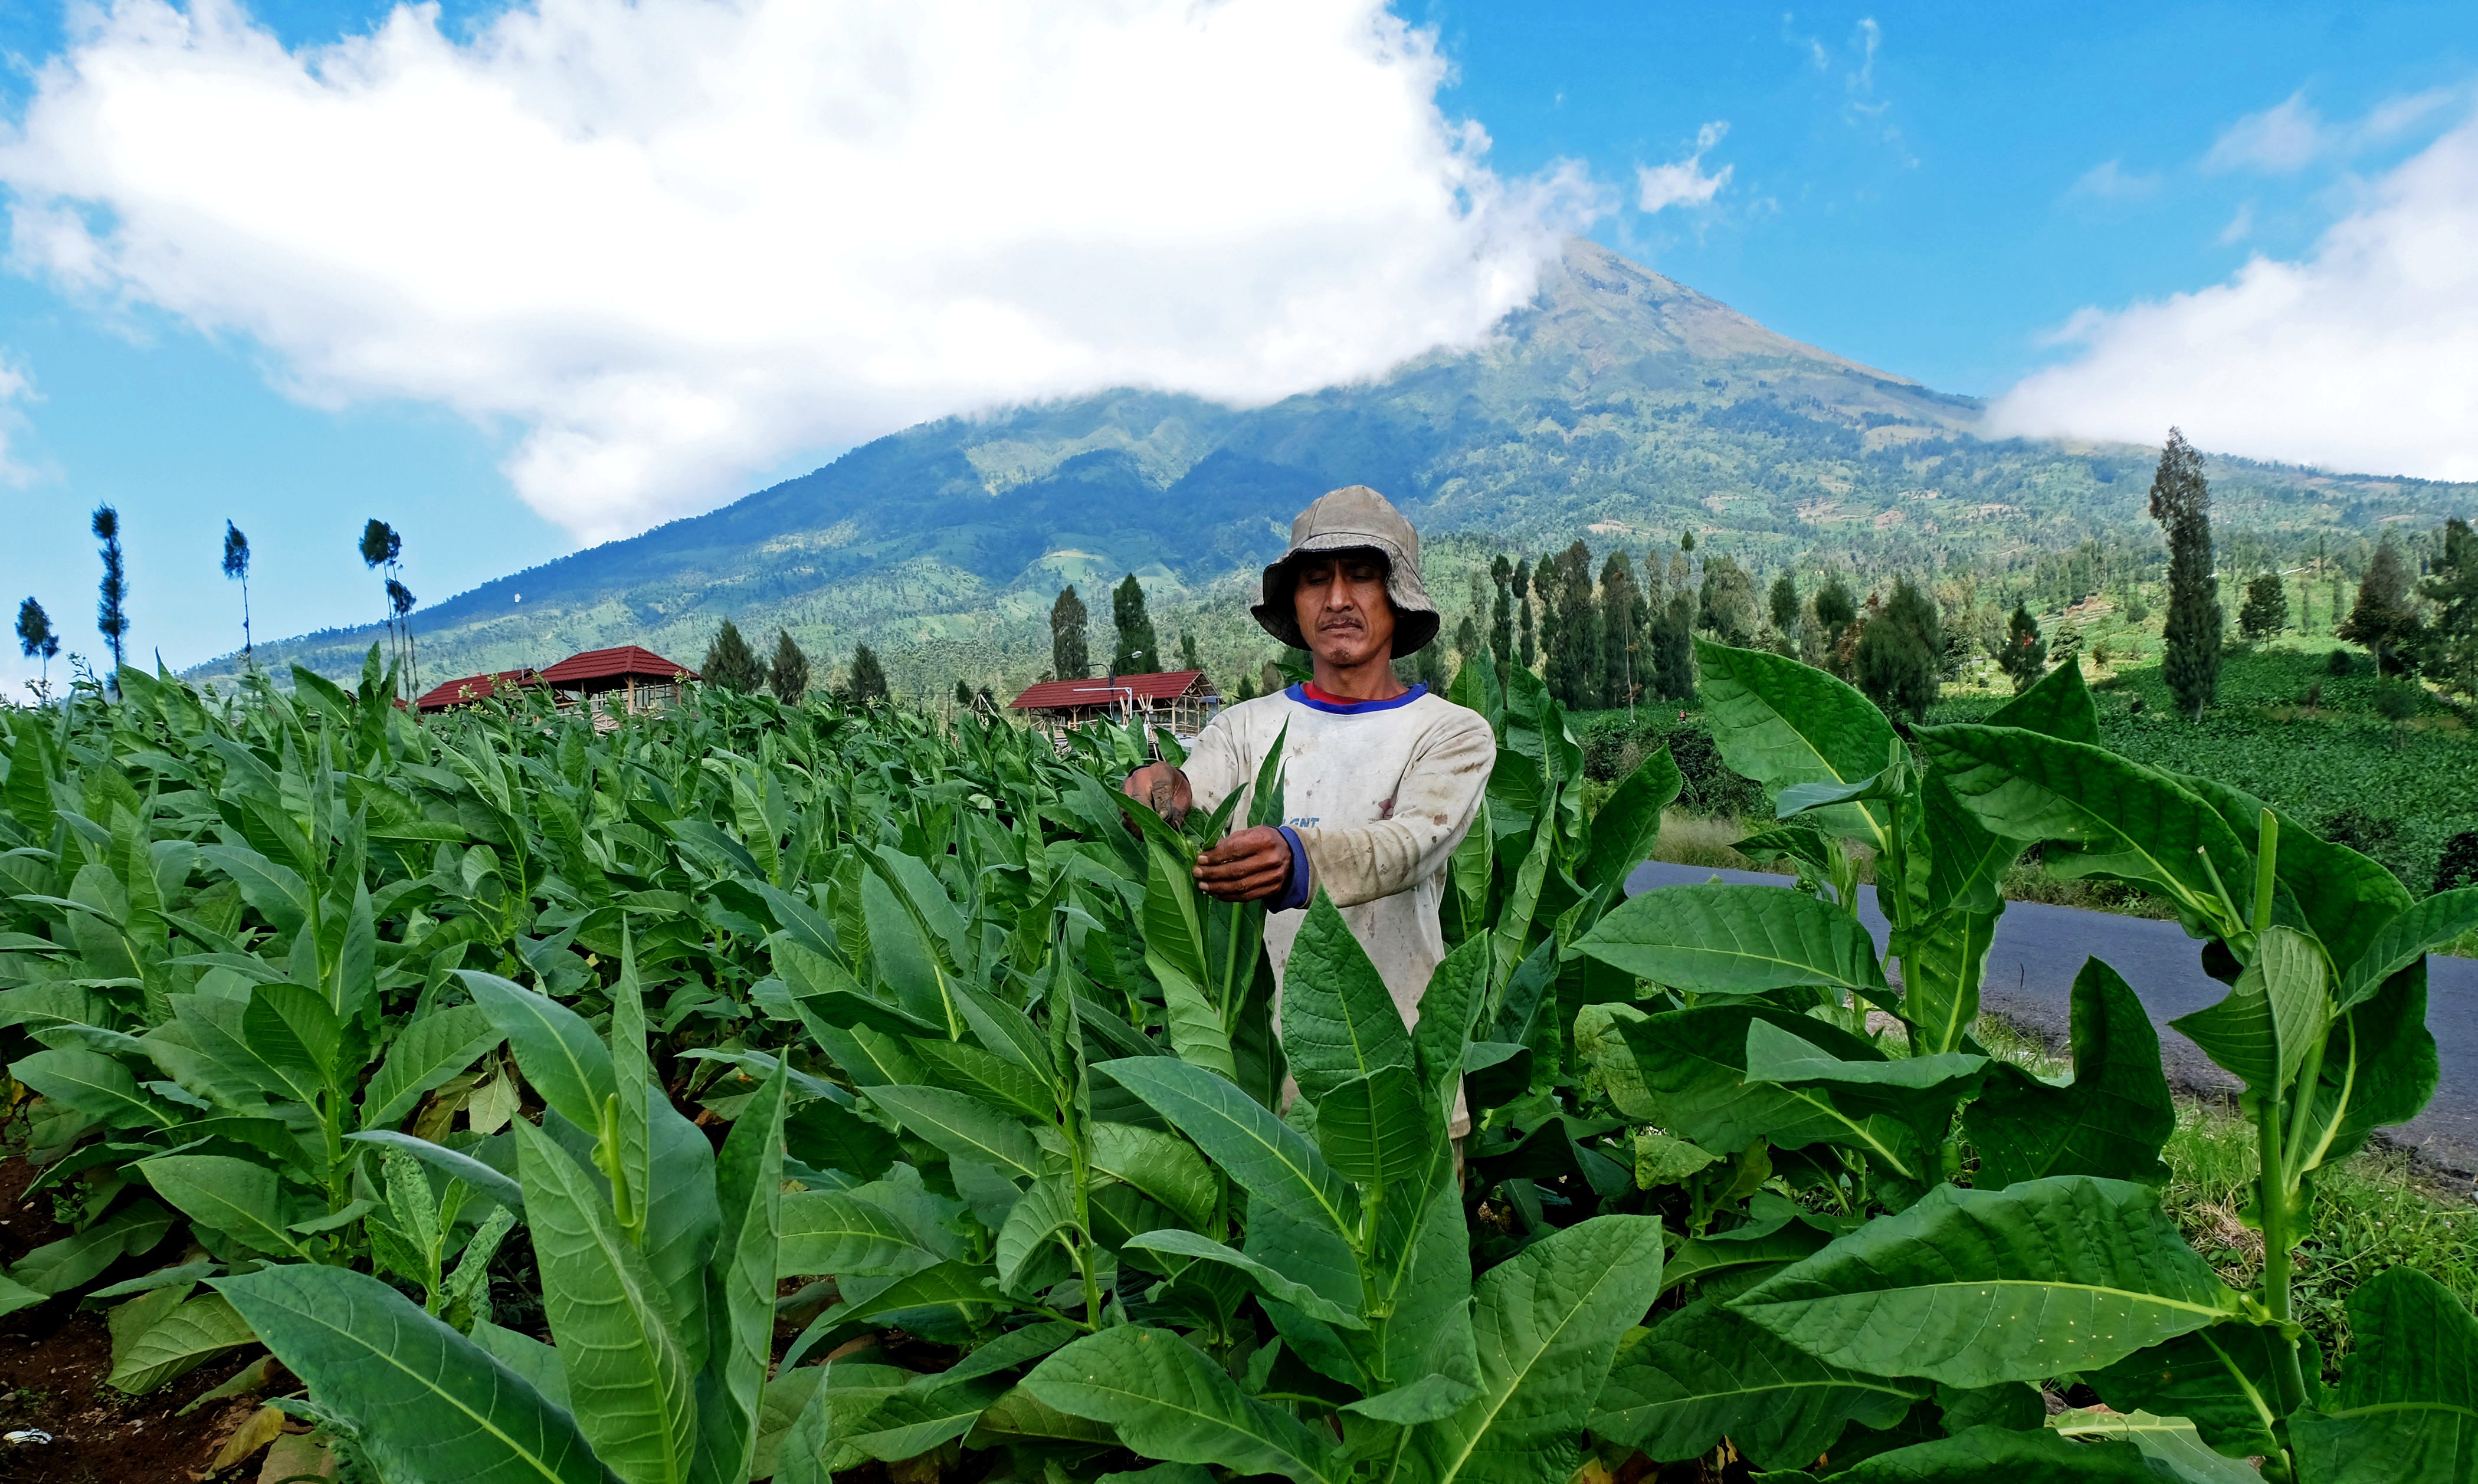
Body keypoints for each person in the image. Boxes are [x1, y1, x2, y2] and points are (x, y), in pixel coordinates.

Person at [1122, 485, 1494, 1134]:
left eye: (1363, 576)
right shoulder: (1243, 729)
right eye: (1316, 579)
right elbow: (1192, 797)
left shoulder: (1451, 733)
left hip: (1401, 1079)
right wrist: (1160, 792)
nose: (1338, 598)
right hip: (1257, 1089)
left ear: (1398, 595)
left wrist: (1299, 858)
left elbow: (1412, 843)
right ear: (1294, 600)